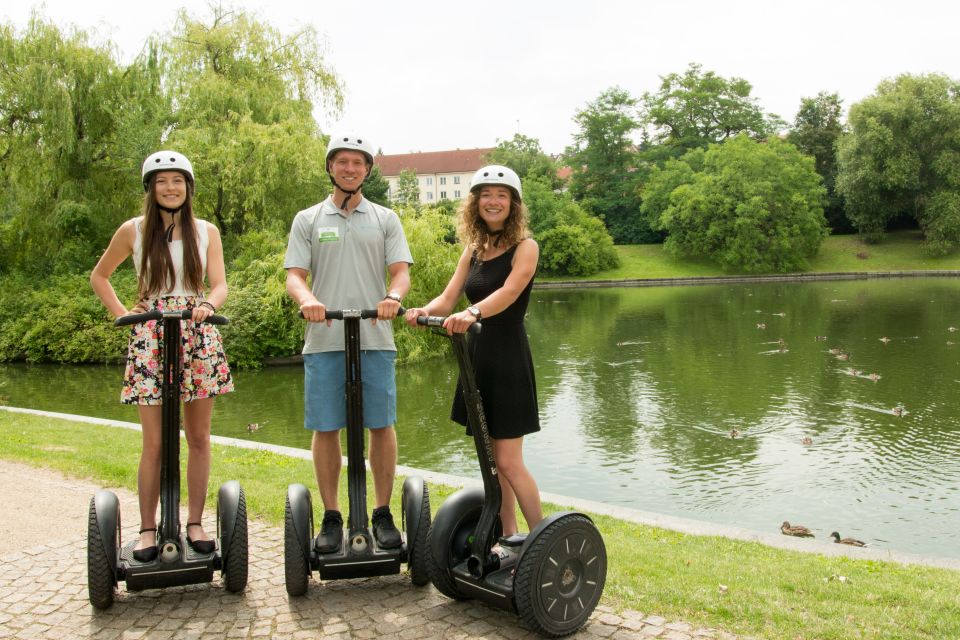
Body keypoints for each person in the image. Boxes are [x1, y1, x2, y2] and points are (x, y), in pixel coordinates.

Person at [90, 150, 233, 562]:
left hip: (197, 331)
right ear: (150, 188)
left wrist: (207, 305)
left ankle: (195, 522)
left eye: (178, 181)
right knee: (153, 441)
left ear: (188, 187)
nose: (171, 188)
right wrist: (124, 316)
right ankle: (148, 528)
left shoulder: (206, 231)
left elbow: (220, 284)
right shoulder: (132, 231)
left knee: (200, 437)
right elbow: (99, 276)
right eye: (162, 181)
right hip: (151, 333)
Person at [284, 132, 412, 552]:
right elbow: (294, 277)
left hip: (375, 336)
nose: (350, 169)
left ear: (367, 170)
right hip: (324, 338)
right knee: (326, 427)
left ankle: (381, 511)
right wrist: (309, 301)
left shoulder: (385, 218)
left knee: (381, 423)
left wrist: (393, 298)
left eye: (358, 163)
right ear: (330, 167)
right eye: (342, 162)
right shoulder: (308, 219)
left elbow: (400, 272)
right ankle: (333, 515)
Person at [405, 164, 543, 540]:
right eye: (486, 195)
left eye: (501, 195)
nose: (493, 201)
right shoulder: (475, 250)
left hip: (508, 356)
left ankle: (541, 540)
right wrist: (424, 311)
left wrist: (473, 311)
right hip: (477, 356)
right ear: (476, 203)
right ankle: (508, 537)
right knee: (491, 460)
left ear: (513, 204)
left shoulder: (525, 247)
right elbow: (449, 296)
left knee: (509, 461)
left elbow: (510, 292)